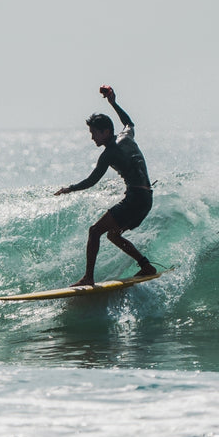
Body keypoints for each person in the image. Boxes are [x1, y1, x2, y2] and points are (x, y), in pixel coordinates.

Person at [55, 85, 156, 286]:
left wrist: (70, 188)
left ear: (106, 132)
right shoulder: (125, 136)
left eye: (94, 133)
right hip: (146, 199)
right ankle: (145, 265)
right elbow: (128, 123)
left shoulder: (109, 153)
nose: (92, 137)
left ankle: (88, 277)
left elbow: (92, 181)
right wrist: (113, 103)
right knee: (113, 235)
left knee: (94, 231)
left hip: (134, 199)